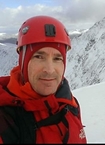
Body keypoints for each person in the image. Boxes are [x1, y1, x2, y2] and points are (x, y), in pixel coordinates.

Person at [0, 15, 87, 143]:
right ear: (23, 62)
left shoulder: (69, 103)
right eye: (39, 57)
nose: (50, 69)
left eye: (57, 58)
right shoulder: (5, 118)